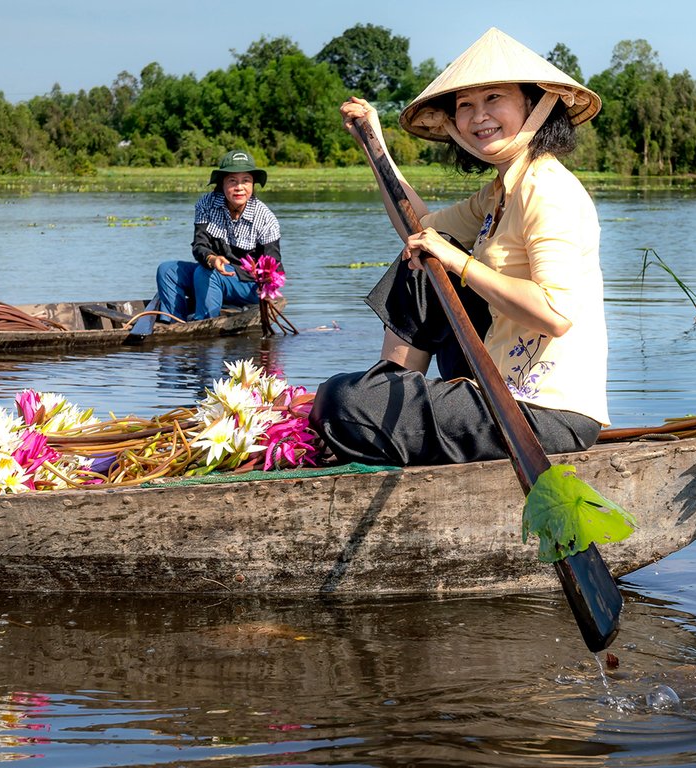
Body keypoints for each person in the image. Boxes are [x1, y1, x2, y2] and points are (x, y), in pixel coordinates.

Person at [309, 27, 609, 467]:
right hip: (498, 392)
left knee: (341, 400)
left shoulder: (546, 188)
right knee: (426, 258)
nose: (478, 115)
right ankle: (390, 399)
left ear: (535, 104)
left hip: (544, 413)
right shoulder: (500, 193)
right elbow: (421, 230)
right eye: (466, 105)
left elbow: (556, 314)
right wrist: (374, 146)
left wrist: (461, 262)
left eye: (493, 99)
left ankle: (382, 414)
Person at [149, 150, 282, 324]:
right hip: (209, 272)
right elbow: (200, 244)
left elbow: (275, 268)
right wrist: (212, 258)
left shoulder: (265, 218)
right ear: (222, 184)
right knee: (167, 270)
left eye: (246, 181)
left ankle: (204, 323)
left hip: (249, 286)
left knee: (206, 273)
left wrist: (267, 283)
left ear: (253, 185)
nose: (239, 187)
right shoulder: (207, 204)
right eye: (232, 181)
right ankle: (172, 323)